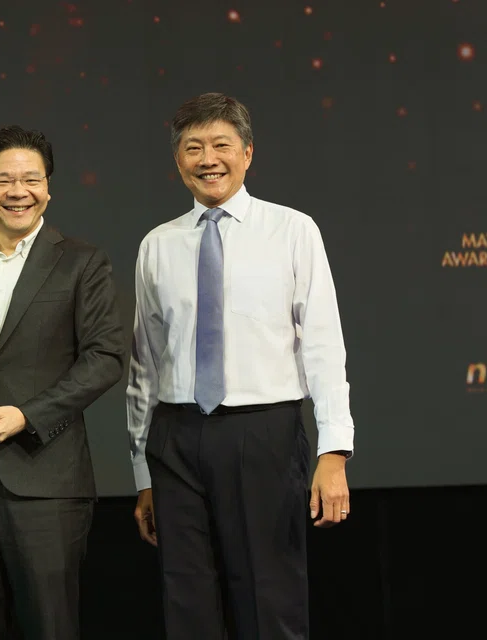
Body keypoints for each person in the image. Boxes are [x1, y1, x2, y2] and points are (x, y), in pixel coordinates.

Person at [126, 93, 354, 639]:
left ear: (247, 153)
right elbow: (144, 367)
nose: (208, 159)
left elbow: (324, 346)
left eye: (221, 145)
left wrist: (334, 452)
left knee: (269, 598)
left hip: (263, 432)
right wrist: (142, 473)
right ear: (178, 161)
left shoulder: (293, 230)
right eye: (193, 148)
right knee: (187, 600)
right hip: (175, 438)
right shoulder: (158, 244)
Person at [0, 125, 125, 639]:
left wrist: (28, 416)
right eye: (3, 180)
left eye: (32, 179)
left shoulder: (82, 261)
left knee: (49, 627)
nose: (19, 192)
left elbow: (104, 358)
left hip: (46, 480)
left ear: (48, 188)